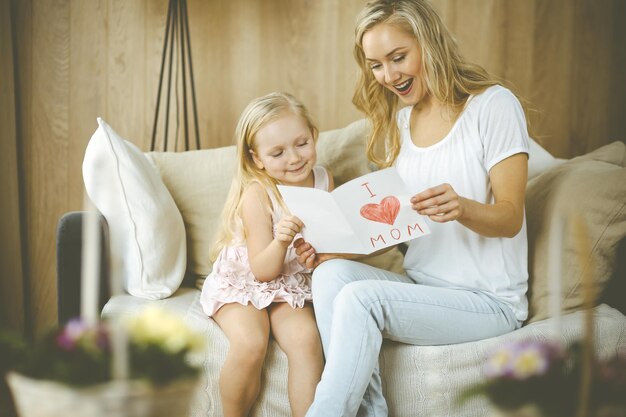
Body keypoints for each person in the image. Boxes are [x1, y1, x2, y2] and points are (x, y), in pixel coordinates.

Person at [295, 1, 530, 416]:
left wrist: (463, 208)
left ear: (430, 43)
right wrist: (334, 251)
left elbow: (511, 218)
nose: (389, 76)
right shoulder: (404, 122)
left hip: (488, 302)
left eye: (398, 58)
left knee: (362, 300)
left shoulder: (494, 105)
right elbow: (399, 228)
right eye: (376, 65)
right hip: (421, 286)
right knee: (330, 275)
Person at [200, 92, 330, 417]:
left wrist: (317, 254)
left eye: (301, 143)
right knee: (250, 343)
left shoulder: (324, 181)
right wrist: (282, 242)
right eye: (277, 153)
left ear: (313, 135)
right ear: (257, 159)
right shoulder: (258, 195)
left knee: (306, 341)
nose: (294, 158)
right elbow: (262, 270)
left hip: (290, 284)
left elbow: (324, 243)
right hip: (247, 281)